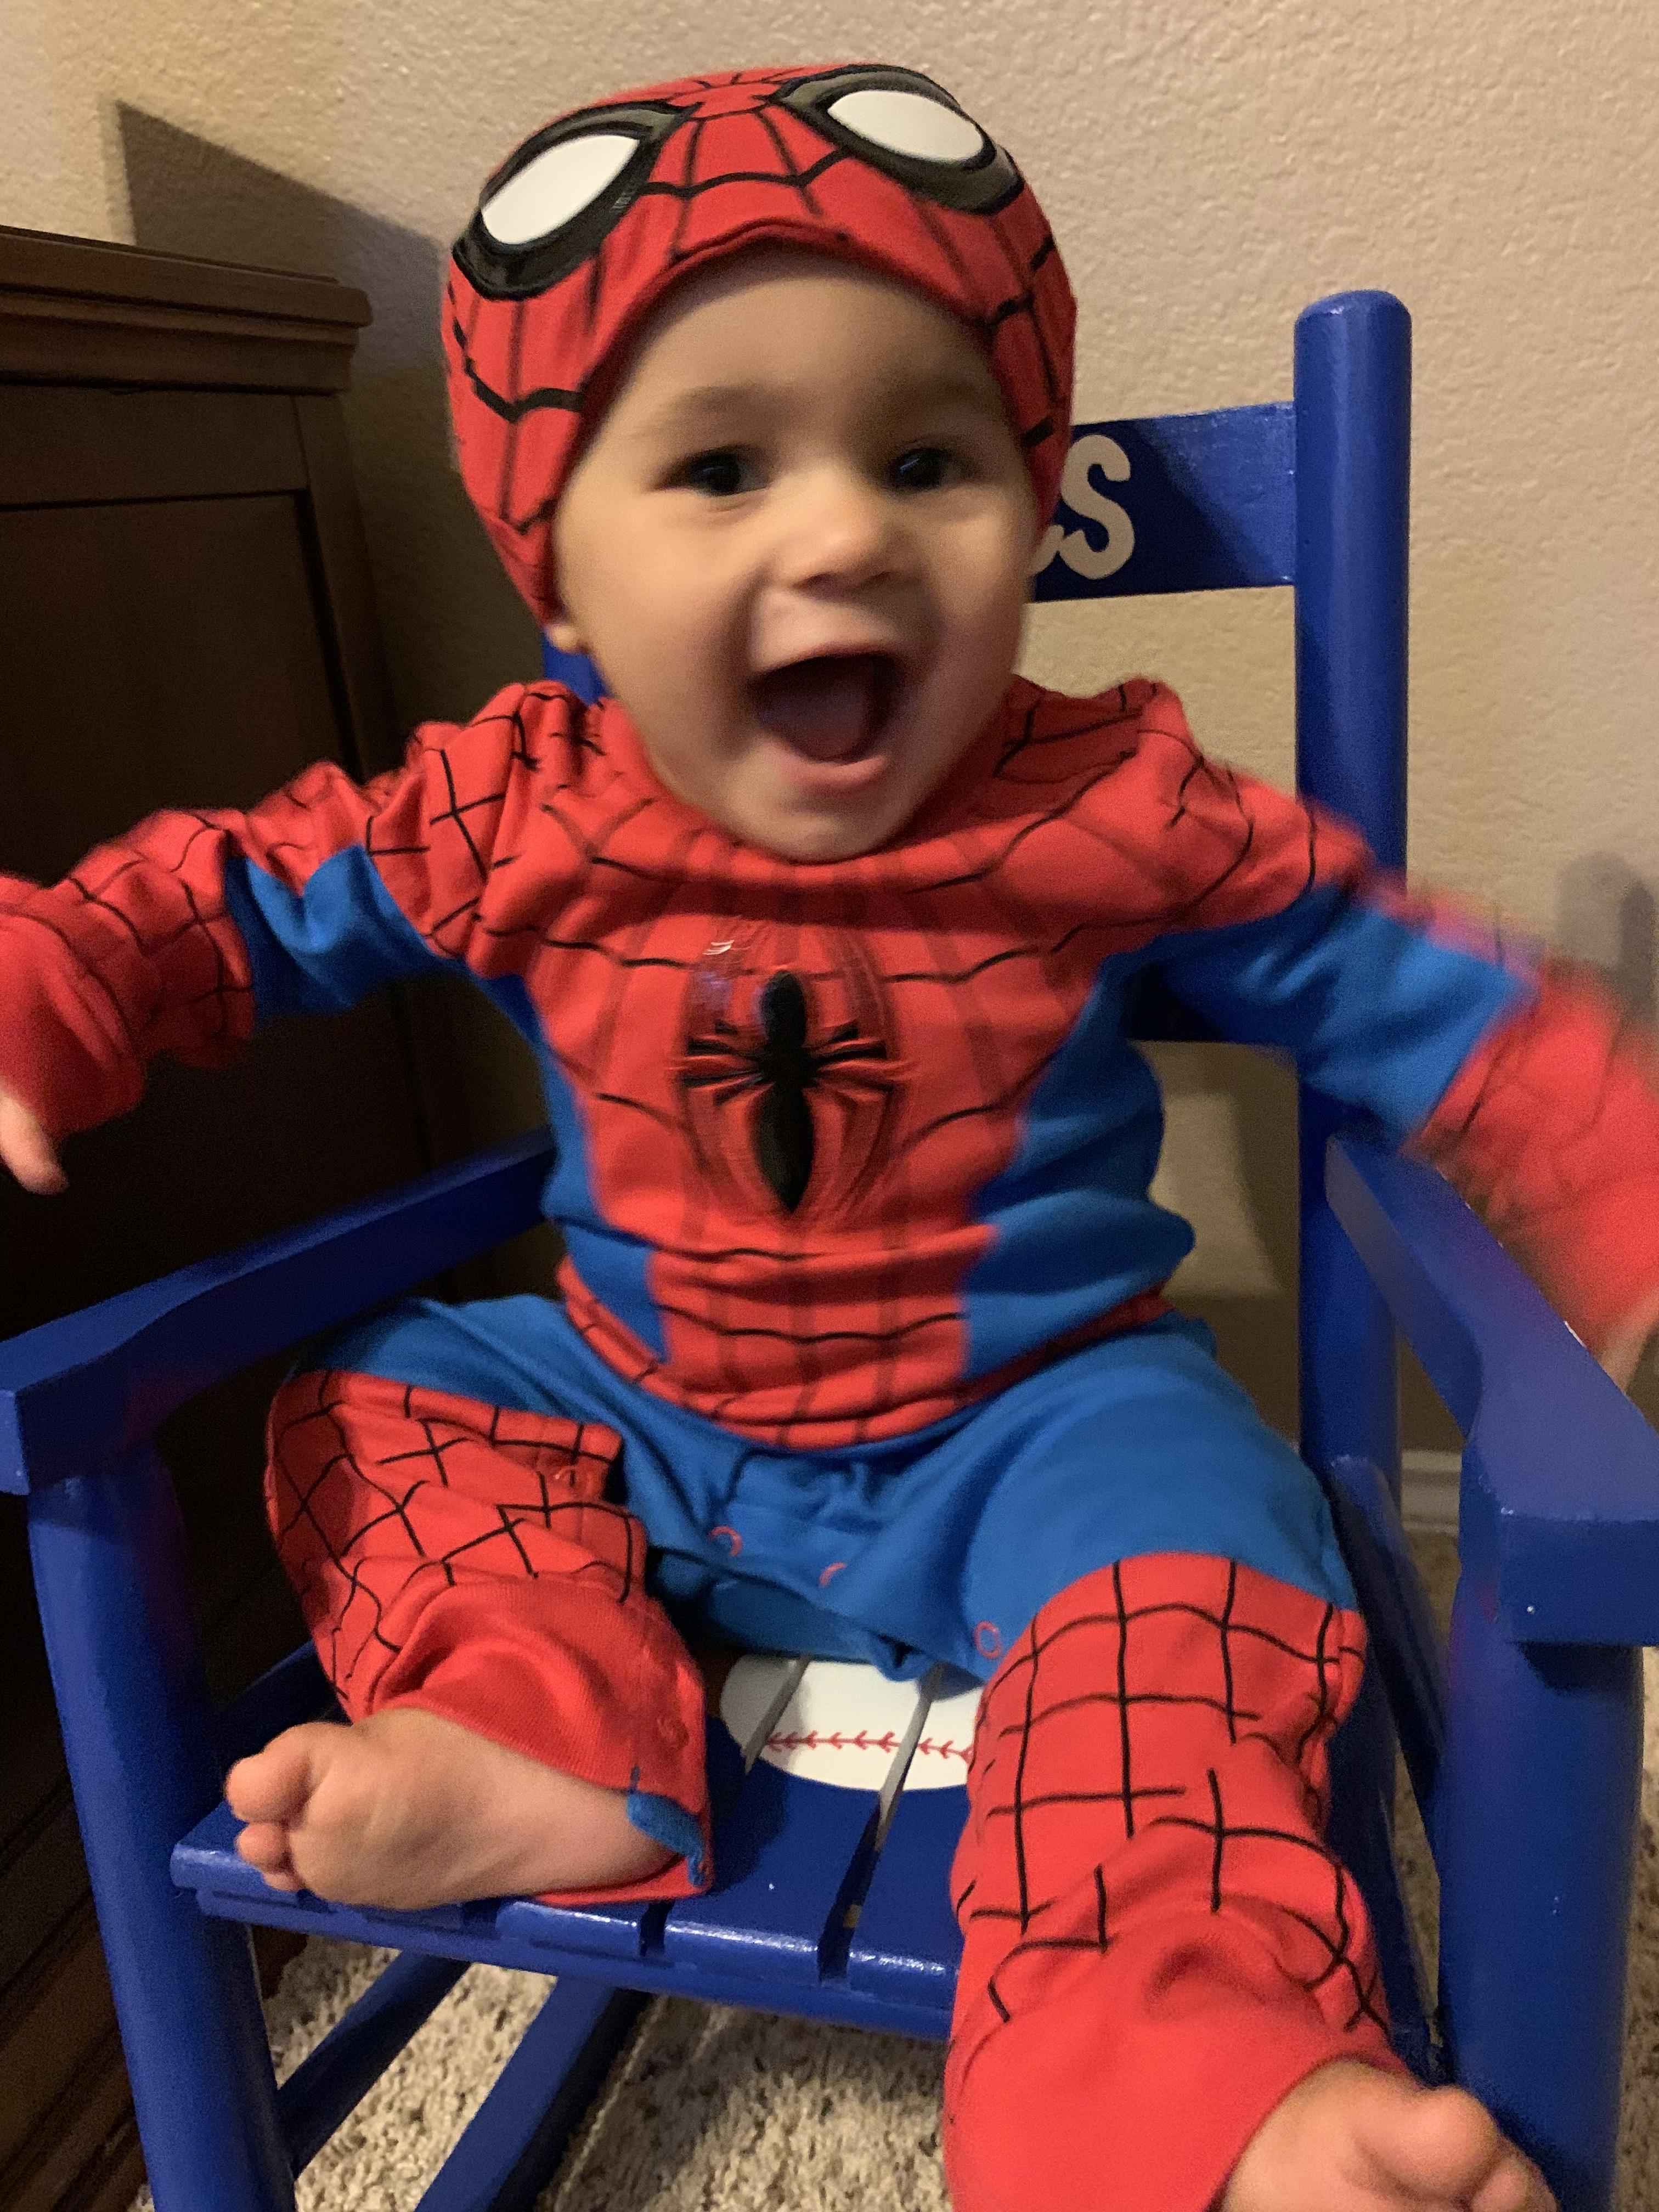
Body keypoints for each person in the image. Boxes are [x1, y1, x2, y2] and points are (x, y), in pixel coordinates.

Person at [1, 60, 1652, 2212]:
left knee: (1207, 1562)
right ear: (559, 574)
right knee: (375, 1401)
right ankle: (543, 1731)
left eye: (928, 456)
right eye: (716, 465)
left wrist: (1625, 1198)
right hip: (645, 1403)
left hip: (1039, 1421)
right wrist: (55, 980)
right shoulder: (517, 805)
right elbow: (230, 894)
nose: (848, 529)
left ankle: (1198, 2067)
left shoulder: (1110, 810)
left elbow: (1437, 1006)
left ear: (1027, 510)